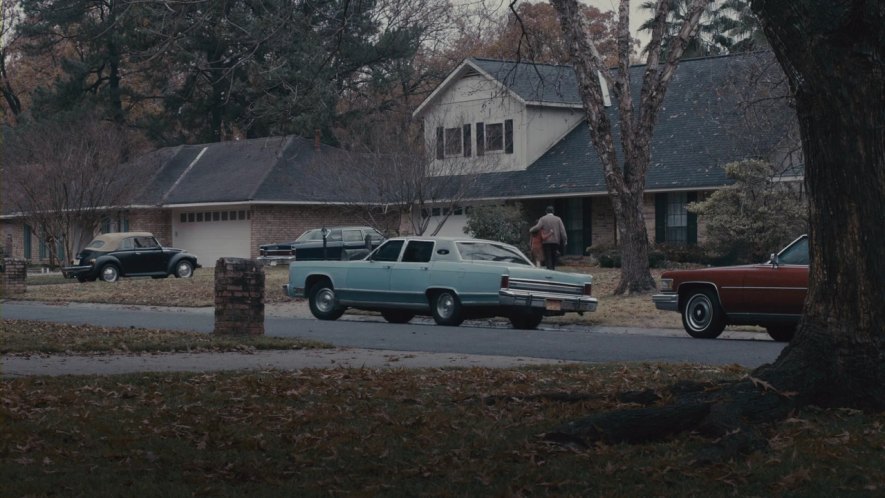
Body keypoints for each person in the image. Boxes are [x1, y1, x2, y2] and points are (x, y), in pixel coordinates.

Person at [529, 206, 567, 270]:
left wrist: (531, 229)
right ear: (553, 211)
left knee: (548, 257)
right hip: (555, 241)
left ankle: (549, 269)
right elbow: (562, 230)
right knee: (553, 256)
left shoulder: (543, 219)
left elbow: (538, 227)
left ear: (546, 212)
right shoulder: (558, 219)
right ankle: (553, 268)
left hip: (546, 242)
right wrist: (565, 240)